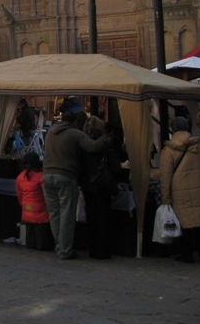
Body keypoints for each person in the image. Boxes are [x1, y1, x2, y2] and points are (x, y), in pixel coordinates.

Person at [43, 107, 108, 260]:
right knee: (67, 214)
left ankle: (59, 246)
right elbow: (93, 147)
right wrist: (105, 139)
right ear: (73, 122)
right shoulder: (75, 133)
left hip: (47, 176)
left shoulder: (51, 133)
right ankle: (65, 250)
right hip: (65, 176)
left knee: (54, 214)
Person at [160, 116, 200, 264]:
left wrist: (165, 197)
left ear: (173, 129)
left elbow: (165, 176)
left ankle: (187, 255)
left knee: (185, 225)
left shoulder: (169, 149)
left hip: (179, 192)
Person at [79, 117, 121, 260]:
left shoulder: (83, 145)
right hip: (103, 185)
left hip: (87, 184)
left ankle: (93, 249)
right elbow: (116, 166)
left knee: (91, 217)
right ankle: (103, 251)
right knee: (103, 218)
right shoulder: (106, 144)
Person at [15, 152, 52, 251]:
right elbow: (46, 194)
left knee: (30, 230)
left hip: (27, 209)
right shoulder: (41, 176)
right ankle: (41, 246)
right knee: (41, 232)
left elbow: (19, 195)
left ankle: (30, 244)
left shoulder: (20, 177)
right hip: (40, 211)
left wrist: (23, 205)